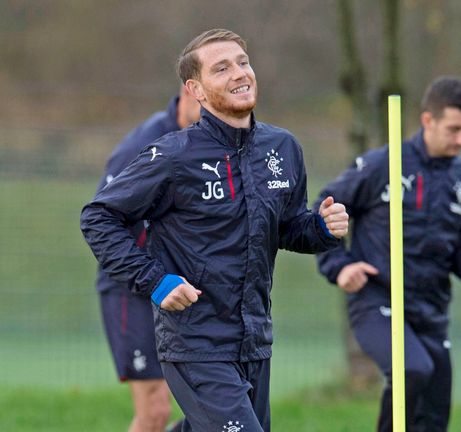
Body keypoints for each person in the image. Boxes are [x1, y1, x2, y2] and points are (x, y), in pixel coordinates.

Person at [81, 29, 349, 432]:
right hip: (195, 342)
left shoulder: (283, 148)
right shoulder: (173, 155)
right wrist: (154, 280)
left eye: (243, 62)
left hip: (254, 340)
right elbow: (98, 217)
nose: (240, 73)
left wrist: (322, 229)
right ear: (196, 90)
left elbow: (289, 229)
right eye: (221, 68)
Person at [315, 76, 461, 431]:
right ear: (428, 120)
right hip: (376, 299)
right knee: (411, 369)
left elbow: (459, 263)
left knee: (433, 411)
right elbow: (326, 209)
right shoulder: (383, 165)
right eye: (454, 128)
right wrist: (339, 266)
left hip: (430, 308)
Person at [95, 86, 199, 432]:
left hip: (180, 289)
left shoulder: (212, 142)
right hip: (132, 289)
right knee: (154, 410)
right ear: (190, 90)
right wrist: (146, 273)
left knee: (213, 407)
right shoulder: (146, 144)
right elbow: (101, 218)